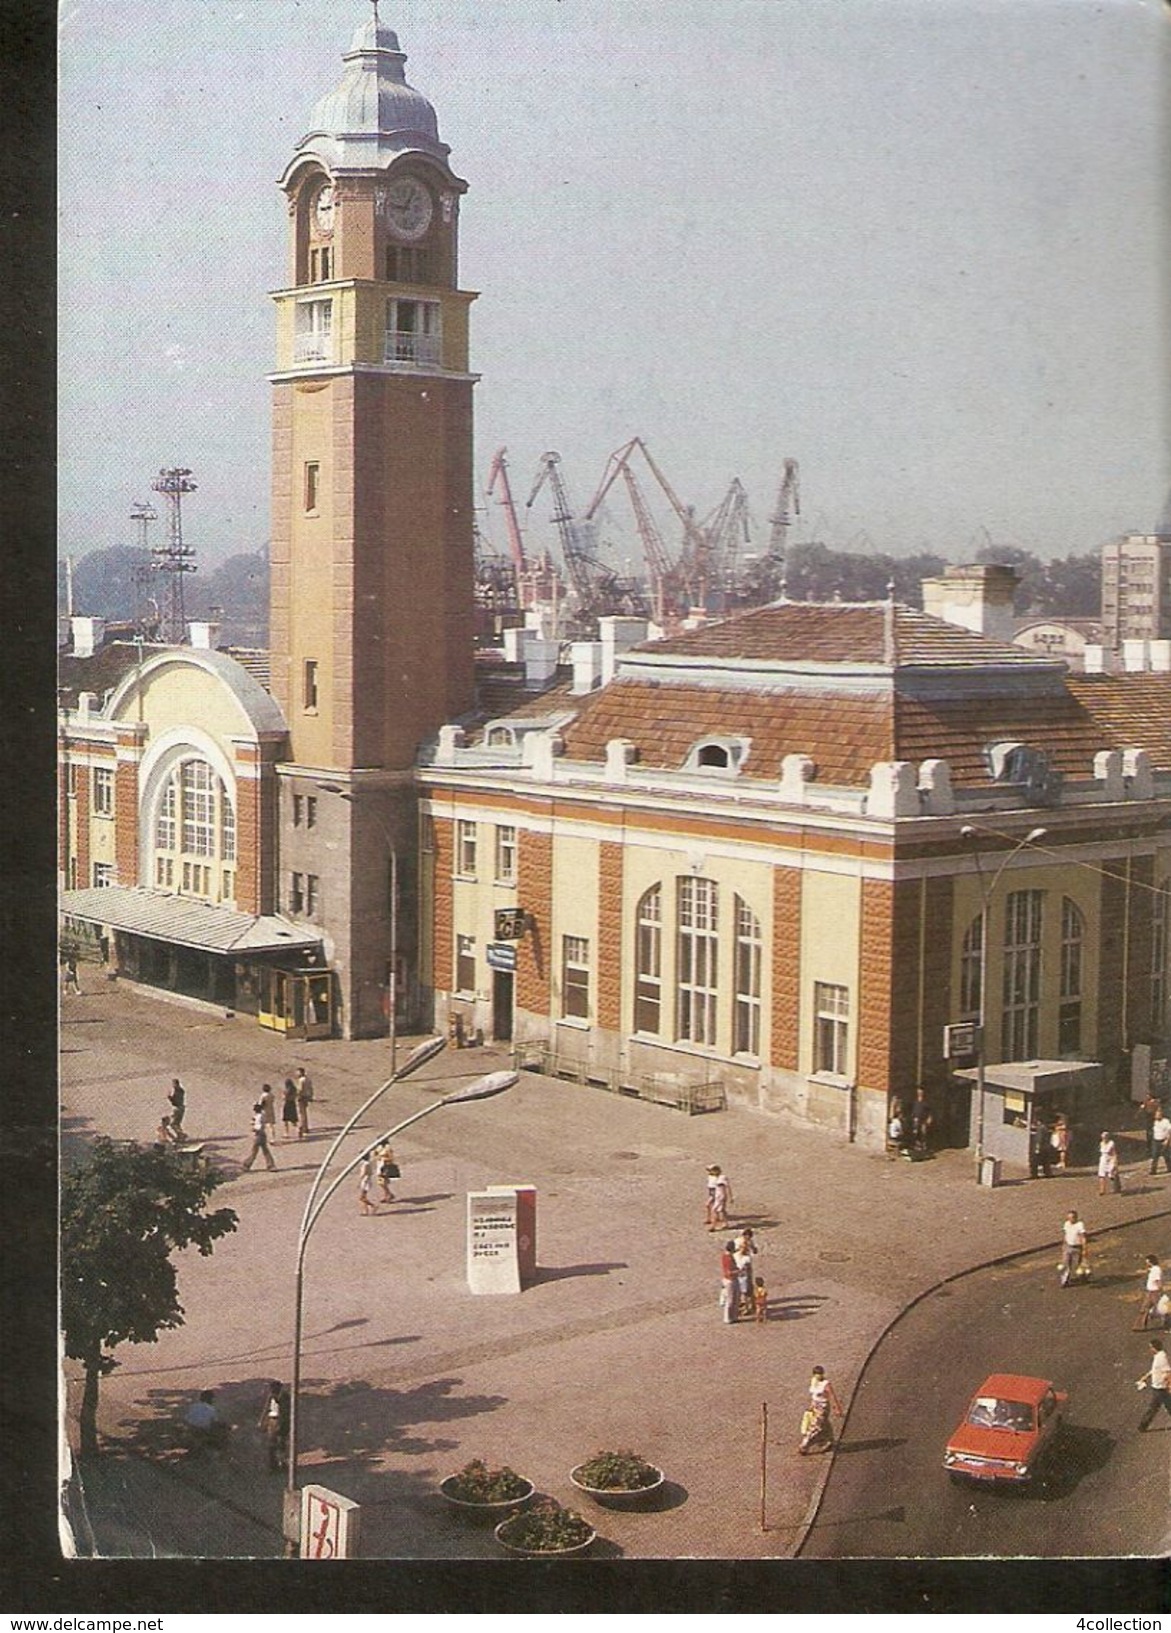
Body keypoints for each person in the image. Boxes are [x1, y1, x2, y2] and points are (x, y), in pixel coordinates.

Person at [798, 1365, 842, 1455]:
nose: (818, 1376)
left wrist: (837, 1408)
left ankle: (804, 1445)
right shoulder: (814, 1381)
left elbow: (832, 1396)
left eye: (820, 1374)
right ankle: (829, 1440)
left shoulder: (826, 1384)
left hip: (823, 1407)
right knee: (824, 1423)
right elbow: (813, 1395)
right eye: (816, 1374)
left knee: (816, 1426)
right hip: (815, 1405)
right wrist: (811, 1405)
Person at [1136, 1339, 1171, 1432]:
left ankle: (1142, 1426)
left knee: (1154, 1408)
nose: (1150, 1349)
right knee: (1158, 1407)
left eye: (1151, 1347)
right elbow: (1155, 1370)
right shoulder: (1157, 1356)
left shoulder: (1162, 1358)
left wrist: (1169, 1385)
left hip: (1161, 1388)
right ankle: (1142, 1426)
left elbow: (1168, 1372)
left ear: (1155, 1348)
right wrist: (1145, 1377)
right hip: (1157, 1387)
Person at [258, 1380, 288, 1470]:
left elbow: (285, 1411)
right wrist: (262, 1421)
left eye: (273, 1388)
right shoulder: (271, 1397)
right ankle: (273, 1464)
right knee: (272, 1444)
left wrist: (282, 1423)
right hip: (273, 1421)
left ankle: (282, 1462)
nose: (271, 1390)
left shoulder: (284, 1397)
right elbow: (267, 1409)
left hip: (281, 1421)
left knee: (281, 1443)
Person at [241, 1100, 277, 1172]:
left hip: (259, 1135)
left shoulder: (258, 1117)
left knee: (254, 1151)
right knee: (265, 1150)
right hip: (262, 1135)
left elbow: (258, 1126)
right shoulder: (262, 1115)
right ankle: (271, 1165)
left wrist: (254, 1128)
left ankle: (247, 1164)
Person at [1135, 1255, 1165, 1331]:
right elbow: (1148, 1270)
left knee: (1162, 1309)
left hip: (1155, 1292)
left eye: (1147, 1261)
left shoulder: (1157, 1270)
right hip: (1150, 1292)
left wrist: (1160, 1290)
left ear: (1151, 1262)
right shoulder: (1153, 1269)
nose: (1146, 1263)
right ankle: (1140, 1326)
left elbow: (1158, 1280)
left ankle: (1167, 1324)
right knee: (1145, 1309)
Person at [1059, 1209, 1088, 1286]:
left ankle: (1083, 1277)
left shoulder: (1079, 1225)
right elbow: (1065, 1235)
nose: (1070, 1220)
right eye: (1068, 1218)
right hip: (1068, 1246)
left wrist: (1084, 1248)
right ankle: (1064, 1281)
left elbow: (1083, 1237)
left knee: (1078, 1264)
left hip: (1077, 1247)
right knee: (1066, 1263)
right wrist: (1064, 1245)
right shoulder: (1066, 1224)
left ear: (1075, 1218)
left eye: (1071, 1218)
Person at [733, 1227, 757, 1309]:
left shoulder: (750, 1242)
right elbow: (733, 1251)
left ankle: (748, 1302)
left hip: (745, 1266)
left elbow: (755, 1251)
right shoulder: (737, 1241)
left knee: (747, 1285)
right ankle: (740, 1301)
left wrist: (753, 1248)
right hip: (739, 1265)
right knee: (740, 1284)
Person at [719, 1240, 740, 1324]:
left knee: (735, 1298)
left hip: (731, 1279)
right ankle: (728, 1317)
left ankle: (734, 1316)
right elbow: (729, 1272)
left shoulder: (726, 1256)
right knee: (730, 1299)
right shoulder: (728, 1258)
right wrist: (739, 1271)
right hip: (730, 1280)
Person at [707, 1166, 732, 1231]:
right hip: (717, 1196)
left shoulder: (722, 1178)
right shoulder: (716, 1178)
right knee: (722, 1210)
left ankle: (713, 1226)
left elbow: (727, 1187)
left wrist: (730, 1197)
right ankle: (726, 1223)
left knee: (714, 1210)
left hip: (721, 1196)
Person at [1149, 1107, 1171, 1176]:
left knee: (1166, 1155)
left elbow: (1170, 1131)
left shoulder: (1166, 1121)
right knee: (1154, 1155)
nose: (1157, 1116)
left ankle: (1169, 1168)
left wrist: (1167, 1140)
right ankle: (1153, 1170)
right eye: (1156, 1115)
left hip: (1164, 1140)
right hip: (1156, 1140)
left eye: (1158, 1115)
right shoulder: (1154, 1122)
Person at [910, 1090, 933, 1154]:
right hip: (916, 1119)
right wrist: (913, 1117)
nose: (920, 1094)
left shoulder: (925, 1103)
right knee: (915, 1132)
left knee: (923, 1133)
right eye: (918, 1093)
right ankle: (916, 1145)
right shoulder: (915, 1102)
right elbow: (913, 1111)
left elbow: (930, 1111)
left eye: (921, 1093)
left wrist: (929, 1118)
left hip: (923, 1120)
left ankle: (924, 1146)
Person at [296, 1067, 314, 1139]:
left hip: (302, 1097)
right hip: (307, 1096)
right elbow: (311, 1088)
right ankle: (305, 1126)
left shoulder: (301, 1080)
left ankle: (303, 1127)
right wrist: (311, 1096)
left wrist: (297, 1096)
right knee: (304, 1113)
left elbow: (300, 1089)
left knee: (302, 1113)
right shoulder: (308, 1079)